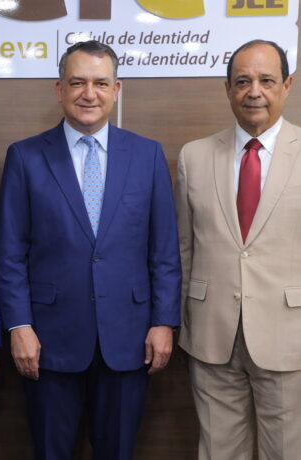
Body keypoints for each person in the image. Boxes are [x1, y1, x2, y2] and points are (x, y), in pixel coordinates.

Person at [0, 40, 181, 460]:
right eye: (77, 82)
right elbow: (9, 254)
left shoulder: (147, 155)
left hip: (130, 338)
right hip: (48, 341)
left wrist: (164, 322)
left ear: (116, 90)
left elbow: (164, 251)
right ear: (59, 89)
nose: (89, 93)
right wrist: (19, 326)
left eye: (100, 83)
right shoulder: (25, 157)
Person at [176, 39, 301, 460]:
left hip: (289, 337)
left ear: (286, 85)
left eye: (267, 80)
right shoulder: (194, 156)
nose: (254, 92)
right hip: (212, 336)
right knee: (219, 452)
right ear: (227, 88)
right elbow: (184, 249)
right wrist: (180, 323)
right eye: (243, 81)